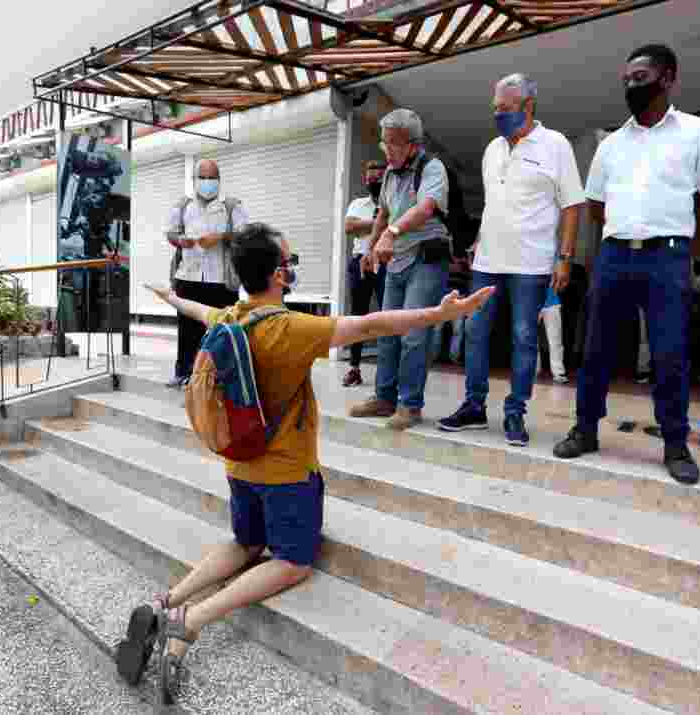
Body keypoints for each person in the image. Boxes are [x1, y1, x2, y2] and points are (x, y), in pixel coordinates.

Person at [121, 223, 494, 702]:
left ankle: (163, 600)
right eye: (290, 262)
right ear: (278, 274)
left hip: (239, 466)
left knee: (246, 541)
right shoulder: (291, 329)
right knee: (293, 562)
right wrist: (443, 313)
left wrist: (168, 297)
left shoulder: (230, 318)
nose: (291, 269)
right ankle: (187, 621)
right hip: (286, 474)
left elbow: (195, 309)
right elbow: (374, 325)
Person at [553, 44, 700, 484]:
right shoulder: (611, 144)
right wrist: (629, 226)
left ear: (668, 78)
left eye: (641, 77)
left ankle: (675, 443)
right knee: (595, 348)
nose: (632, 85)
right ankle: (585, 428)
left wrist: (668, 225)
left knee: (670, 352)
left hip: (667, 255)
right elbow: (596, 205)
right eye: (627, 79)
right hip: (614, 253)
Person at [438, 74, 584, 446]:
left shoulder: (555, 145)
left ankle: (515, 412)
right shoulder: (492, 150)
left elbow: (571, 205)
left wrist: (564, 258)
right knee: (474, 333)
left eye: (504, 108)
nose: (497, 114)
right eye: (495, 108)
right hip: (488, 260)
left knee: (523, 339)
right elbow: (494, 205)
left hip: (532, 264)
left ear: (527, 106)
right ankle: (473, 405)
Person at [349, 109, 452, 431]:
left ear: (413, 144)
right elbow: (383, 213)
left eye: (394, 143)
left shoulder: (432, 168)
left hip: (426, 257)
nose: (387, 150)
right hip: (395, 259)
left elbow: (425, 208)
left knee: (414, 333)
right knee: (386, 328)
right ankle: (384, 397)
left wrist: (392, 234)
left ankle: (410, 405)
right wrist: (370, 247)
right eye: (385, 143)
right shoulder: (391, 174)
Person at [165, 159, 249, 388]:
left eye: (212, 178)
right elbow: (171, 233)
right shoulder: (184, 205)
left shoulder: (231, 206)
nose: (207, 182)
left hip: (220, 280)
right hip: (188, 276)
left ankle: (220, 377)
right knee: (187, 328)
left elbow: (245, 235)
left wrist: (220, 237)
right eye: (203, 177)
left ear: (219, 180)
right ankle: (184, 372)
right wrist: (181, 241)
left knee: (220, 330)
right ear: (194, 180)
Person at [342, 160, 388, 388]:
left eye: (378, 178)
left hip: (385, 262)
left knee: (387, 315)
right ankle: (354, 368)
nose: (373, 182)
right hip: (359, 261)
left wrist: (367, 225)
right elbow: (349, 228)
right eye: (370, 179)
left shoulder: (393, 202)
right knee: (357, 317)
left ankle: (387, 370)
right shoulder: (358, 203)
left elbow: (395, 224)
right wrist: (380, 222)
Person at [537, 284, 570, 384]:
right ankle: (532, 370)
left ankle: (558, 372)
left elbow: (560, 282)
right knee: (530, 339)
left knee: (555, 340)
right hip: (531, 303)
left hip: (552, 303)